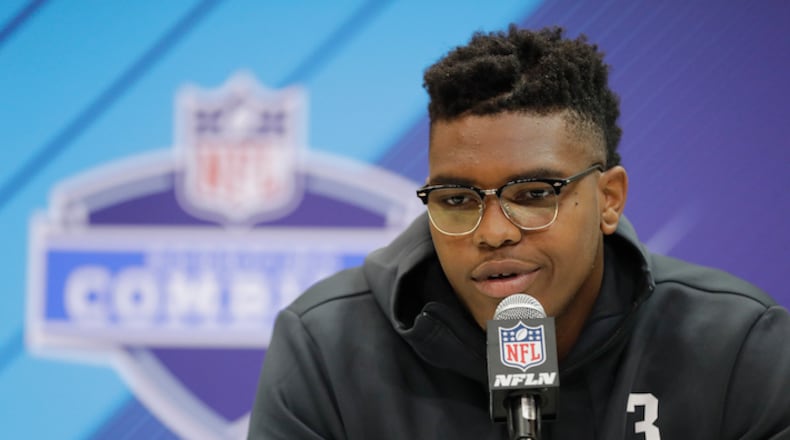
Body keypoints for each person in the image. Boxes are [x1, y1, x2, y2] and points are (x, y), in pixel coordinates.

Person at [247, 25, 790, 439]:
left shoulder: (740, 348)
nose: (493, 232)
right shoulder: (326, 347)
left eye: (533, 195)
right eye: (457, 200)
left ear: (608, 199)